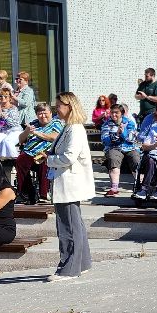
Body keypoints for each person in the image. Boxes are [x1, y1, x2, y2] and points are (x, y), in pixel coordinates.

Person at [45, 93, 94, 281]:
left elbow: (69, 157)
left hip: (69, 183)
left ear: (70, 106)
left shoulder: (75, 129)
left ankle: (69, 268)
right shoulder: (69, 127)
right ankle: (82, 263)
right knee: (76, 224)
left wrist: (49, 159)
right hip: (66, 182)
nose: (56, 108)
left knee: (68, 227)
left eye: (59, 105)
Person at [14, 101, 64, 203]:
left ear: (50, 113)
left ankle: (43, 194)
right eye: (40, 113)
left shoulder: (56, 123)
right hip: (29, 152)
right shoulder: (33, 124)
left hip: (45, 152)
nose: (43, 116)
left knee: (43, 162)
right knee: (20, 161)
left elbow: (53, 137)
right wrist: (26, 131)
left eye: (45, 113)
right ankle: (27, 193)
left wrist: (36, 133)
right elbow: (20, 140)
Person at [99, 102, 138, 197]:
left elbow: (131, 139)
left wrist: (122, 133)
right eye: (112, 112)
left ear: (122, 113)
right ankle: (114, 188)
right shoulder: (106, 125)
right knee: (113, 158)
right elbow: (105, 140)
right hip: (114, 147)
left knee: (136, 159)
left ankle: (139, 186)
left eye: (116, 112)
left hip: (129, 147)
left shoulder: (130, 123)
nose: (113, 115)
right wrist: (116, 134)